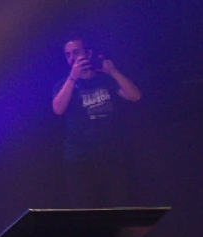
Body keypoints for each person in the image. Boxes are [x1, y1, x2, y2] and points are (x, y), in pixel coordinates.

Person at [52, 37, 141, 205]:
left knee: (118, 206)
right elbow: (58, 109)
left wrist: (114, 72)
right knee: (85, 211)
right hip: (79, 159)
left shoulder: (104, 79)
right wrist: (73, 77)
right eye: (68, 55)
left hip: (111, 156)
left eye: (76, 52)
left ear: (88, 53)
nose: (71, 58)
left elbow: (135, 96)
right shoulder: (63, 84)